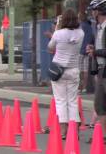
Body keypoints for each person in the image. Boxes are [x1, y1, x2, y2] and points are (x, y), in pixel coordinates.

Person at [48, 9, 84, 139]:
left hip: (59, 70)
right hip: (74, 70)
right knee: (72, 101)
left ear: (63, 20)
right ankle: (74, 131)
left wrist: (57, 27)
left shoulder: (58, 33)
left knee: (61, 101)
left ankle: (63, 132)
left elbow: (50, 47)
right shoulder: (81, 33)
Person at [86, 0, 106, 140]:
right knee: (99, 105)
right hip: (100, 70)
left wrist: (96, 52)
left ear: (100, 11)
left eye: (94, 10)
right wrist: (92, 48)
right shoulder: (98, 28)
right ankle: (104, 136)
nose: (92, 13)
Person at [78, 12, 94, 94]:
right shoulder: (90, 27)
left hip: (80, 51)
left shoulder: (80, 26)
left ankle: (79, 87)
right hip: (88, 51)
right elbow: (92, 38)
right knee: (86, 71)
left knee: (79, 70)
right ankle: (84, 88)